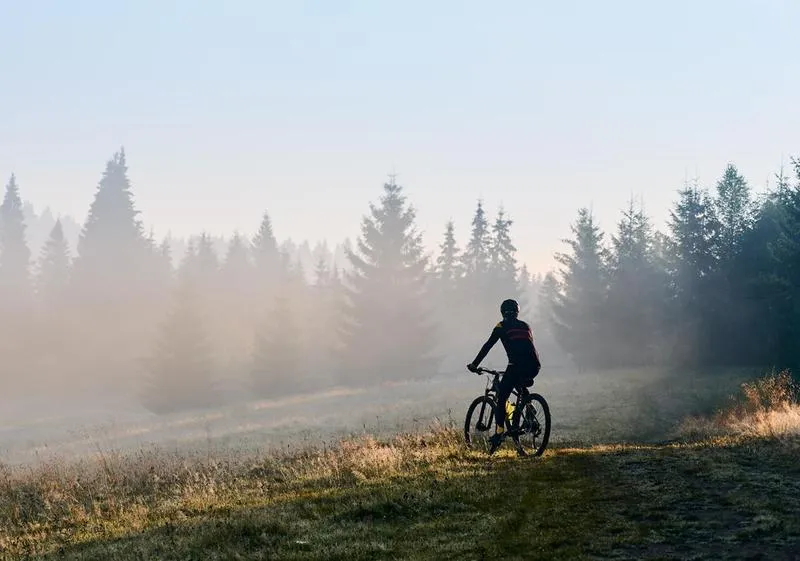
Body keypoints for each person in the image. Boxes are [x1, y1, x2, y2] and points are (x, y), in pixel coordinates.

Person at [467, 298, 541, 455]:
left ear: (502, 312)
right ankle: (528, 407)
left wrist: (474, 364)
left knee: (501, 398)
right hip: (534, 366)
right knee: (517, 383)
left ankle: (499, 432)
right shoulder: (525, 325)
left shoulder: (501, 326)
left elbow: (488, 345)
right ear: (517, 312)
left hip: (516, 366)